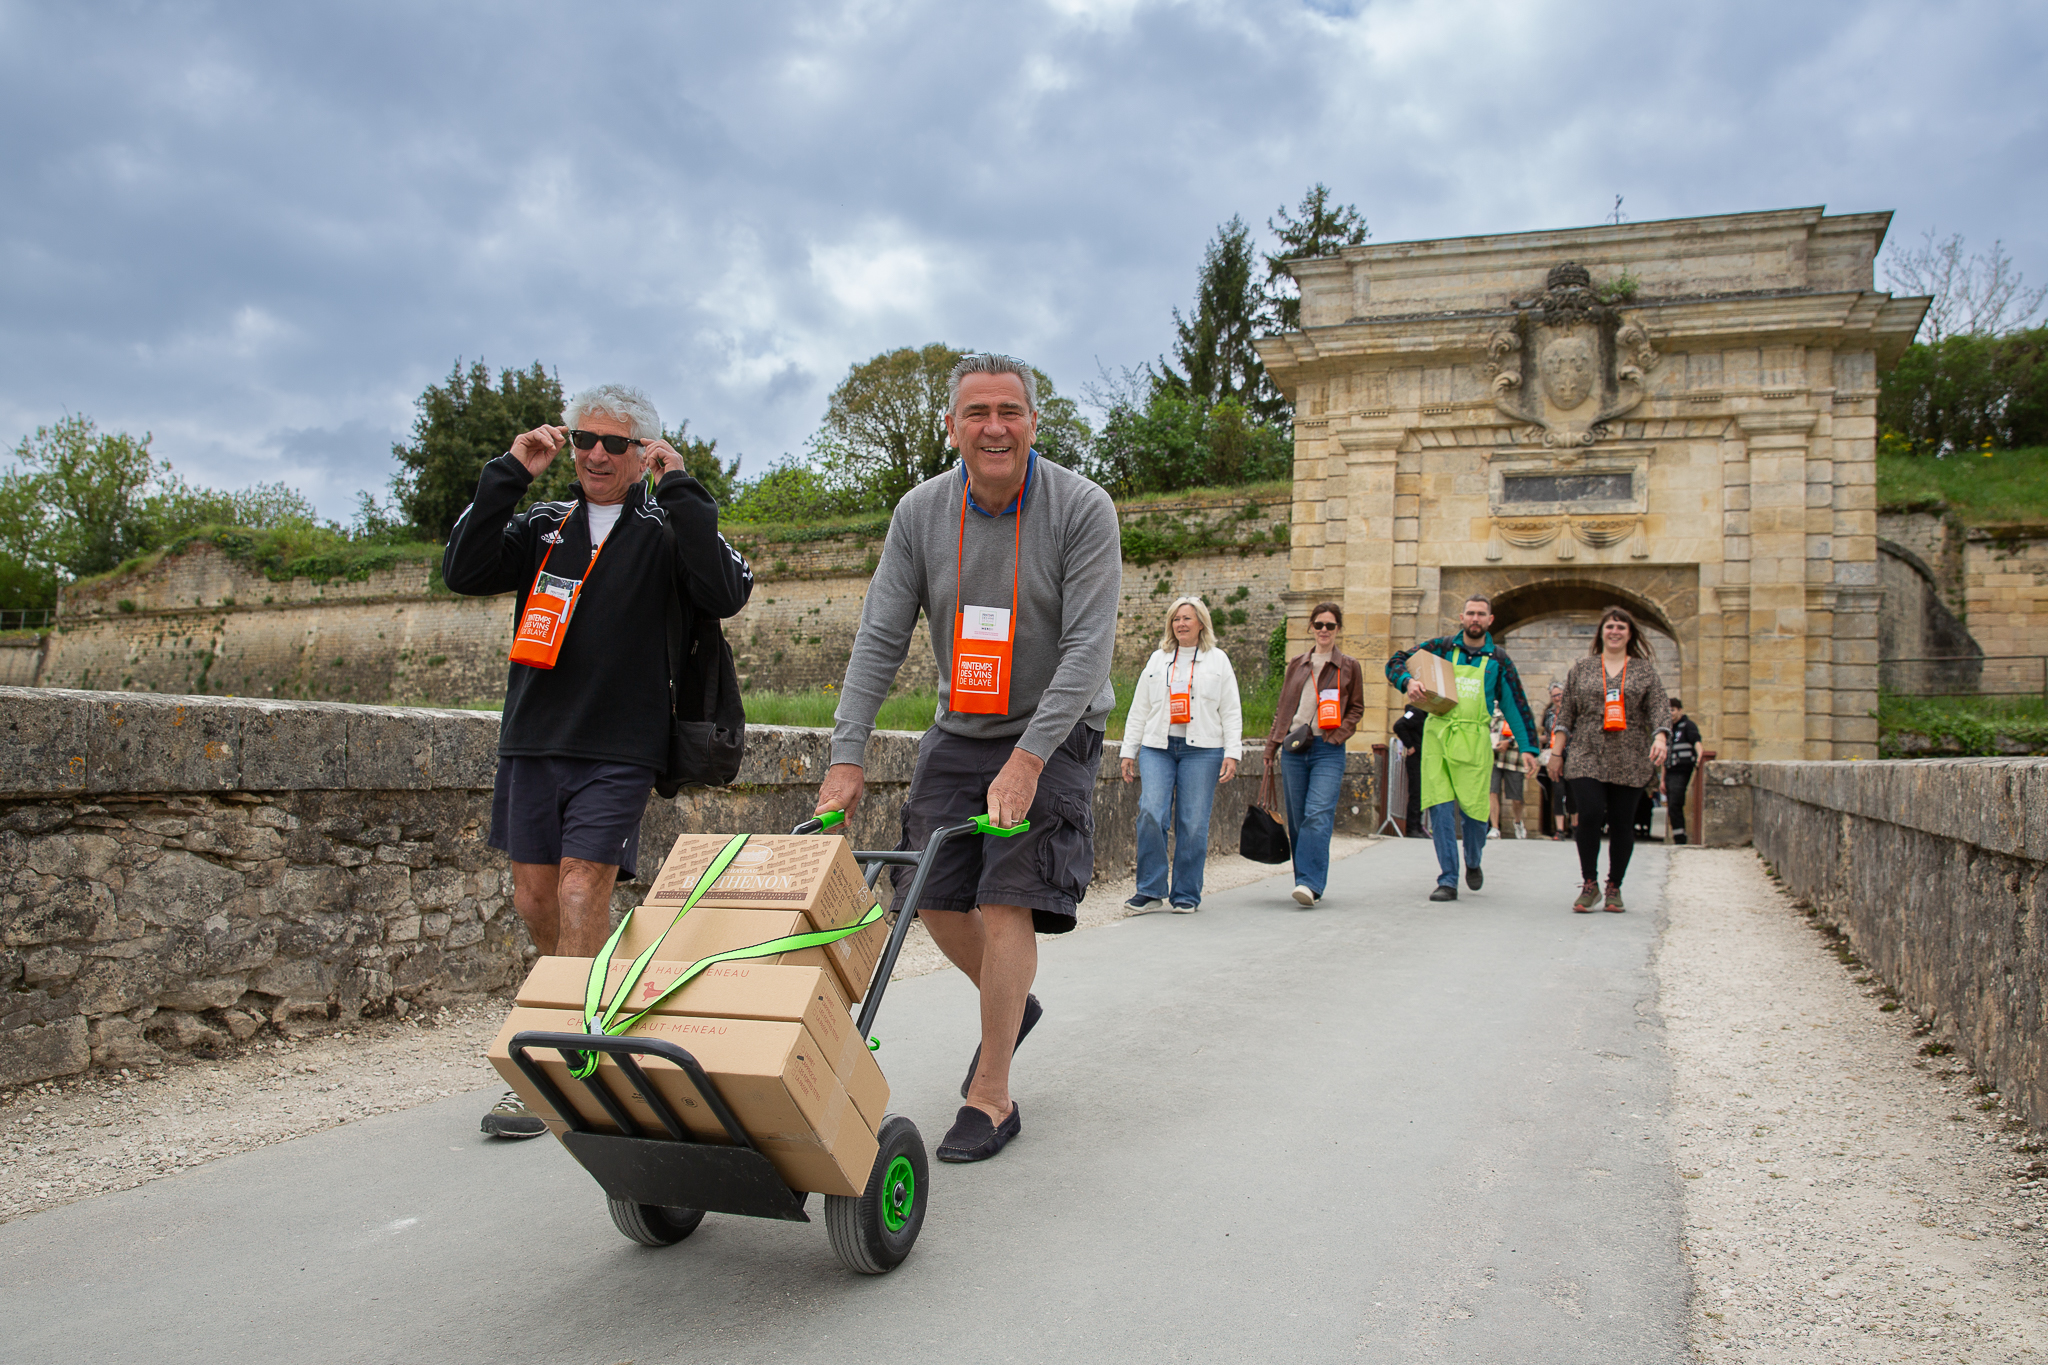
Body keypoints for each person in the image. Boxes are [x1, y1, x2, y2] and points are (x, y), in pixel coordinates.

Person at [812, 353, 1120, 1164]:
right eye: (977, 412)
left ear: (1032, 422)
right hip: (963, 724)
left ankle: (992, 1091)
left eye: (1010, 411)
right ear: (951, 425)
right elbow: (881, 636)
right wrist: (847, 755)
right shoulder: (919, 513)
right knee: (931, 896)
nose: (994, 426)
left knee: (1005, 894)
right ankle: (1010, 1003)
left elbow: (1088, 648)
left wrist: (1028, 759)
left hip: (1053, 727)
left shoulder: (1082, 508)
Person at [443, 383, 754, 1139]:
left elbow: (727, 588)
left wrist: (680, 488)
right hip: (532, 738)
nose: (594, 455)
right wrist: (510, 470)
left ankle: (564, 1058)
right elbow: (462, 566)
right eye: (584, 440)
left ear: (642, 451)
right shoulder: (544, 525)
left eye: (614, 444)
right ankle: (595, 1011)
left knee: (585, 890)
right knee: (534, 897)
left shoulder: (666, 526)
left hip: (620, 748)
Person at [1387, 596, 1539, 902]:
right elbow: (1396, 661)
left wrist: (1528, 747)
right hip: (1438, 736)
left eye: (1481, 614)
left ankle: (1472, 859)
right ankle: (1448, 879)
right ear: (1461, 616)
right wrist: (1407, 682)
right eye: (1470, 613)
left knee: (1475, 812)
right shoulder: (1441, 647)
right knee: (1440, 807)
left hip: (1474, 740)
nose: (1475, 618)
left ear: (1489, 620)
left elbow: (1516, 704)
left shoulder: (1499, 659)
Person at [1120, 596, 1243, 913]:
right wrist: (1128, 750)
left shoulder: (1218, 660)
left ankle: (1186, 892)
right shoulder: (1157, 659)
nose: (1181, 624)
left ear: (1201, 623)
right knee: (1150, 812)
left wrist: (1233, 751)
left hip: (1203, 750)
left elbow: (1231, 710)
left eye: (1188, 618)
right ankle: (1150, 889)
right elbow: (1139, 708)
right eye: (1176, 619)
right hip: (1157, 747)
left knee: (1193, 822)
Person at [1548, 606, 1671, 912]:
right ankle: (1589, 884)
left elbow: (1659, 708)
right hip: (1586, 751)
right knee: (1588, 814)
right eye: (1610, 627)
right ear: (1601, 632)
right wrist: (1556, 753)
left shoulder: (1643, 671)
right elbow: (1566, 714)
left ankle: (1614, 885)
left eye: (1621, 627)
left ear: (1630, 634)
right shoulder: (1582, 669)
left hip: (1629, 754)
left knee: (1621, 823)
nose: (1615, 632)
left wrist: (1660, 736)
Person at [1263, 602, 1367, 907]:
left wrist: (1337, 735)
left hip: (1327, 750)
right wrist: (1271, 747)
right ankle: (1304, 881)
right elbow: (1284, 709)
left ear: (1338, 630)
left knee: (1318, 815)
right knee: (1297, 820)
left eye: (1330, 626)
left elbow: (1357, 707)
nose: (1324, 630)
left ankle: (1310, 883)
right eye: (1319, 625)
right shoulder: (1297, 663)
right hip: (1294, 748)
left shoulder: (1349, 666)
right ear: (1311, 627)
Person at [1665, 696, 1702, 844]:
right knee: (1672, 804)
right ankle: (1678, 837)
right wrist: (1662, 780)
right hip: (1670, 771)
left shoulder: (1688, 725)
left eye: (1673, 710)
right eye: (1668, 711)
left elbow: (1696, 741)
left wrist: (1700, 756)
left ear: (1680, 710)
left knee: (1675, 802)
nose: (1670, 713)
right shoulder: (1667, 730)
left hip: (1682, 769)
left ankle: (1680, 838)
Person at [1537, 683, 1571, 840]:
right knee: (1558, 791)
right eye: (1555, 696)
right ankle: (1560, 829)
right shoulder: (1550, 715)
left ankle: (1576, 827)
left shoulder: (1573, 713)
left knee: (1572, 792)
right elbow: (1548, 734)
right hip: (1554, 754)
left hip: (1570, 754)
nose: (1558, 698)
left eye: (1560, 694)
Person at [1489, 706, 1527, 839]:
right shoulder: (1493, 712)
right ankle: (1495, 827)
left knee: (1516, 798)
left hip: (1514, 760)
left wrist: (1509, 742)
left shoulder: (1521, 711)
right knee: (1492, 792)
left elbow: (1526, 733)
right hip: (1495, 758)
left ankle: (1517, 822)